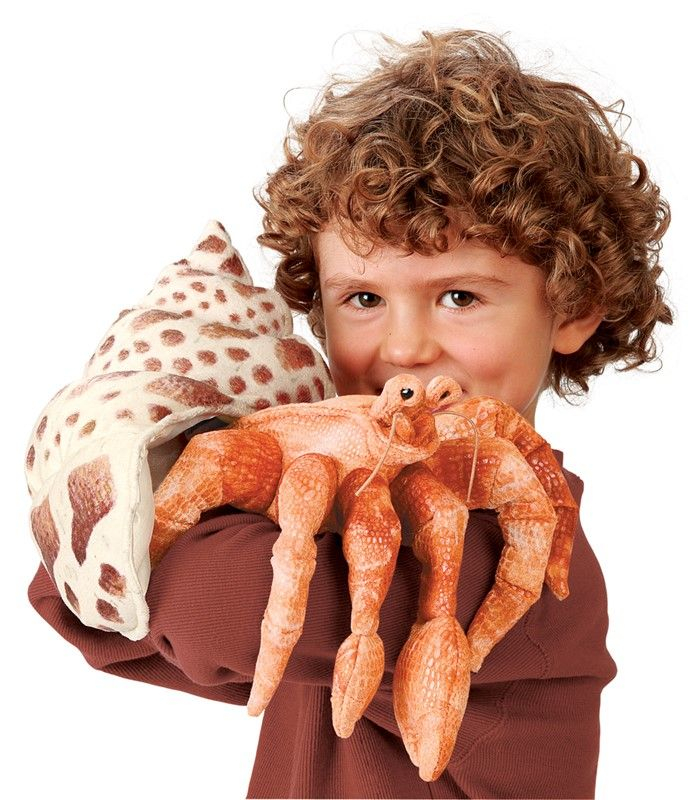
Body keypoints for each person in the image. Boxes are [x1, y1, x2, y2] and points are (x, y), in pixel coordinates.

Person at [27, 28, 671, 799]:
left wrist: (129, 522)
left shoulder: (516, 566)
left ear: (575, 307)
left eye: (459, 296)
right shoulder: (336, 505)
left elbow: (198, 610)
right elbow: (79, 614)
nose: (405, 348)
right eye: (363, 298)